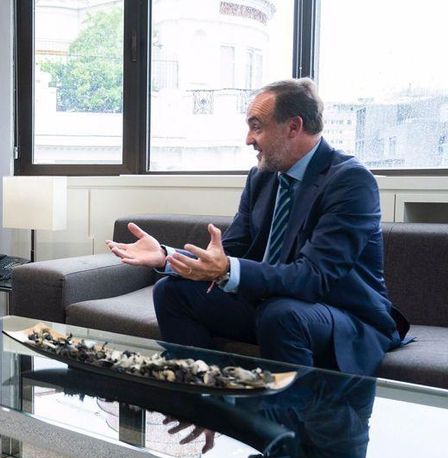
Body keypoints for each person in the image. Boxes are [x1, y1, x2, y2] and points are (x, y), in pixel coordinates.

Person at [107, 78, 408, 375]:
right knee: (171, 292)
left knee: (281, 314)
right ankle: (209, 396)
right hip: (272, 306)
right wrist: (166, 255)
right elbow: (234, 251)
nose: (248, 139)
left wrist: (226, 271)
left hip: (341, 313)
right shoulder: (262, 178)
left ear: (293, 127)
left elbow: (314, 277)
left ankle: (286, 421)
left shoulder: (350, 181)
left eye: (257, 126)